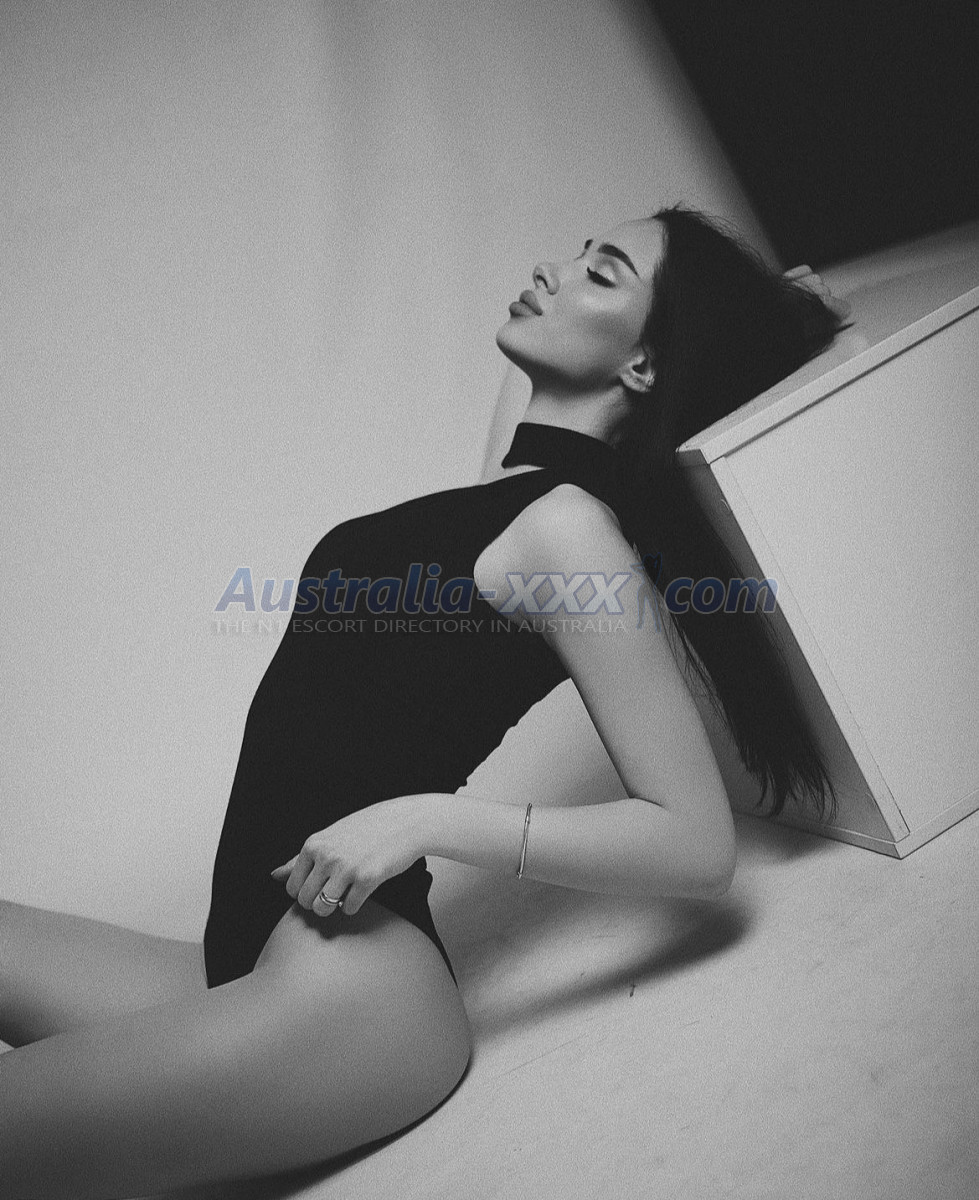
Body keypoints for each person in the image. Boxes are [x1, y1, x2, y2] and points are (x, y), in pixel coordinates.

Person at [0, 205, 847, 1197]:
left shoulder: (569, 533)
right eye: (575, 249)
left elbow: (695, 843)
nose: (554, 266)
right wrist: (782, 311)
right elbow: (535, 408)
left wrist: (427, 820)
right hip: (241, 954)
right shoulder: (510, 494)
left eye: (602, 271)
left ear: (644, 365)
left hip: (352, 997)